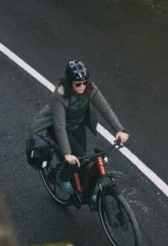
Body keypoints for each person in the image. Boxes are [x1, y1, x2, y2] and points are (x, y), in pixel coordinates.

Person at [31, 60, 129, 193]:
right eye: (78, 84)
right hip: (58, 128)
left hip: (77, 126)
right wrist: (67, 154)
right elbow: (59, 126)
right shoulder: (60, 96)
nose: (82, 86)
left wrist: (119, 129)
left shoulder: (91, 89)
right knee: (78, 158)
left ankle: (88, 195)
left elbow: (105, 109)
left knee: (83, 162)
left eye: (85, 82)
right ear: (70, 83)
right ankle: (63, 176)